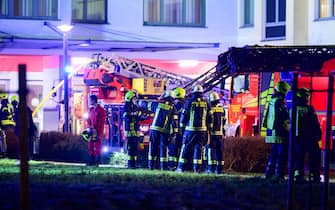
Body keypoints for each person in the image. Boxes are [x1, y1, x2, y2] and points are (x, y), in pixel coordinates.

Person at [177, 85, 212, 173]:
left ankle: (180, 168)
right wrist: (209, 129)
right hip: (202, 131)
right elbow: (210, 117)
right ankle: (197, 169)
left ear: (193, 93)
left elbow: (183, 116)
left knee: (185, 148)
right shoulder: (207, 103)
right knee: (198, 149)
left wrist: (181, 129)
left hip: (190, 130)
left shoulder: (189, 102)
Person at [140, 90, 178, 170]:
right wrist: (174, 133)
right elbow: (174, 122)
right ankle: (163, 167)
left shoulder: (157, 104)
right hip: (165, 131)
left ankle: (151, 166)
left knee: (153, 147)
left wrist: (140, 101)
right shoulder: (173, 108)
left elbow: (144, 104)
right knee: (163, 148)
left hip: (154, 129)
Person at [263, 81, 291, 183]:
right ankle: (279, 175)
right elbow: (283, 117)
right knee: (281, 154)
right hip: (279, 132)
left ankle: (269, 173)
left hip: (272, 131)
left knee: (274, 154)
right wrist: (289, 129)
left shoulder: (273, 100)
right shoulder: (280, 102)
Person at [294, 88, 322, 183]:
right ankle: (315, 175)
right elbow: (315, 123)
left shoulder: (292, 108)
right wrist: (318, 133)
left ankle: (298, 176)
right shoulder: (309, 109)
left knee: (298, 156)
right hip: (308, 137)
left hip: (296, 137)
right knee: (314, 155)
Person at [122, 90, 145, 169]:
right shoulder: (126, 106)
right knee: (131, 147)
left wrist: (143, 116)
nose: (135, 100)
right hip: (130, 130)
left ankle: (134, 164)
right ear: (129, 98)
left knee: (135, 147)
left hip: (135, 130)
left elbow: (138, 117)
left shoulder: (135, 106)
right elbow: (126, 117)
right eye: (134, 98)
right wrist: (135, 114)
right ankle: (130, 164)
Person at [207, 91, 226, 174]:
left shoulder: (211, 109)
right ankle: (219, 170)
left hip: (212, 134)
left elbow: (209, 121)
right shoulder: (222, 109)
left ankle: (211, 169)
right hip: (220, 134)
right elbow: (224, 120)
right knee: (220, 152)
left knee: (211, 151)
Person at [168, 87, 186, 170]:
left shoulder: (173, 105)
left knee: (173, 147)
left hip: (174, 130)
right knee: (181, 147)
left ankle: (172, 165)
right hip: (184, 131)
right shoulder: (186, 105)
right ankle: (181, 165)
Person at [86, 94, 106, 166]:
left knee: (97, 146)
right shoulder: (91, 110)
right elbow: (88, 120)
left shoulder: (101, 110)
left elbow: (101, 122)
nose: (89, 101)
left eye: (90, 100)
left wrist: (96, 130)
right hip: (91, 130)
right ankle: (92, 161)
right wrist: (89, 127)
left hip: (98, 131)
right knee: (90, 145)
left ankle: (98, 161)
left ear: (94, 100)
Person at [0, 93, 16, 158]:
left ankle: (4, 152)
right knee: (9, 139)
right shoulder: (10, 105)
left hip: (5, 124)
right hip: (11, 124)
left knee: (4, 139)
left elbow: (5, 114)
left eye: (0, 98)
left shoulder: (4, 105)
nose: (0, 100)